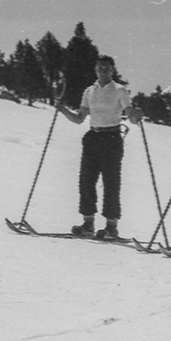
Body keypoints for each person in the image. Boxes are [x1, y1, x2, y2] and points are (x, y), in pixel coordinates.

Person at [58, 55, 142, 239]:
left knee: (111, 183)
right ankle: (88, 224)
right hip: (92, 137)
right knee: (86, 181)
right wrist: (63, 110)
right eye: (100, 69)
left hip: (111, 138)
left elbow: (130, 115)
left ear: (112, 70)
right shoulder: (89, 91)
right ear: (95, 70)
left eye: (107, 69)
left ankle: (111, 226)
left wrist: (136, 115)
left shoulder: (120, 90)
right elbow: (80, 118)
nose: (103, 72)